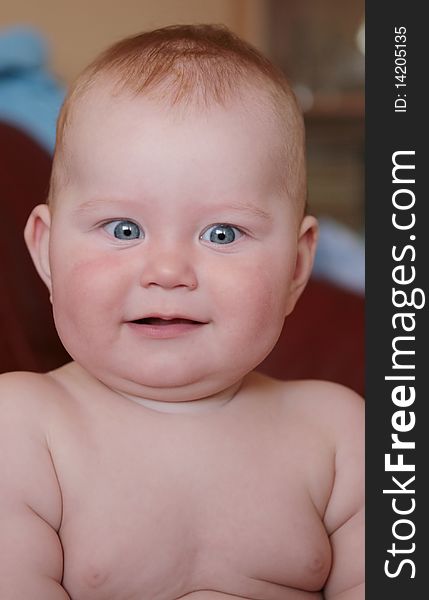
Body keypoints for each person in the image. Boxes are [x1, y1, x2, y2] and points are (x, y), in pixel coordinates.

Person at [0, 24, 364, 599]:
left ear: (297, 268)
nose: (168, 271)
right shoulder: (23, 430)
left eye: (222, 233)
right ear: (46, 250)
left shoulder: (341, 436)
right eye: (123, 229)